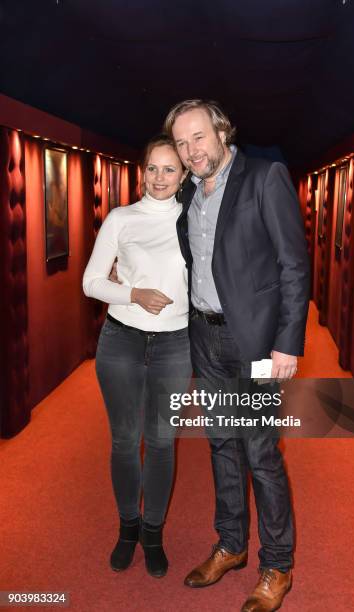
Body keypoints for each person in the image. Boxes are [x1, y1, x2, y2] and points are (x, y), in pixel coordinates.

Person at [163, 100, 310, 611]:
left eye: (198, 137)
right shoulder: (187, 193)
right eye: (182, 143)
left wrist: (288, 342)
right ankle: (230, 545)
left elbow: (294, 264)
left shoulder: (265, 177)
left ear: (221, 131)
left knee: (261, 455)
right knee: (221, 445)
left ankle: (277, 565)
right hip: (205, 338)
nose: (190, 151)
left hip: (256, 346)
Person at [82, 135, 191, 578]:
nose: (160, 178)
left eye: (170, 169)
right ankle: (127, 528)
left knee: (162, 442)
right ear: (141, 170)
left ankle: (153, 533)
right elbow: (91, 282)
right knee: (125, 440)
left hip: (175, 344)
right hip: (122, 340)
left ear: (184, 174)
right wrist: (133, 292)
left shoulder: (194, 219)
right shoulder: (120, 219)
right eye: (153, 168)